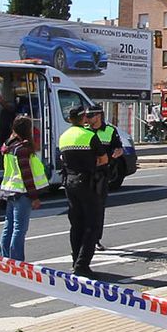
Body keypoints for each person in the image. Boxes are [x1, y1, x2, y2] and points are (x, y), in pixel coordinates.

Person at [56, 103, 102, 277]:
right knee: (92, 224)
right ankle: (82, 265)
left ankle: (75, 260)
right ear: (83, 118)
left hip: (69, 183)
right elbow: (103, 159)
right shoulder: (89, 135)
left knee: (76, 224)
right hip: (86, 183)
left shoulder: (64, 137)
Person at [0, 115, 44, 261]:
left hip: (9, 190)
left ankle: (5, 257)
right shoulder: (22, 149)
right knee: (19, 229)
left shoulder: (8, 146)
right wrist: (35, 197)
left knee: (8, 226)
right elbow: (27, 175)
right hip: (22, 192)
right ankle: (17, 261)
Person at [87, 104, 122, 252]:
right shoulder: (84, 131)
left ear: (99, 116)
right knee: (85, 208)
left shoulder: (110, 131)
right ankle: (85, 238)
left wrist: (118, 152)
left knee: (98, 208)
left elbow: (118, 147)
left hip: (102, 174)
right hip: (86, 173)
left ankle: (96, 239)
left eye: (90, 116)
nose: (87, 119)